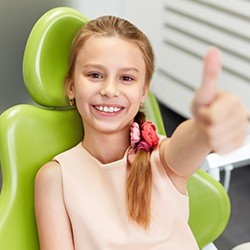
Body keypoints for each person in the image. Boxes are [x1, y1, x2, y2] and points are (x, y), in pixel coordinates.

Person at [34, 15, 248, 250]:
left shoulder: (162, 158)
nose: (109, 90)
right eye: (95, 75)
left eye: (126, 78)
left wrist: (205, 128)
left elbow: (191, 141)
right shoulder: (55, 178)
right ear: (71, 86)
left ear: (143, 91)